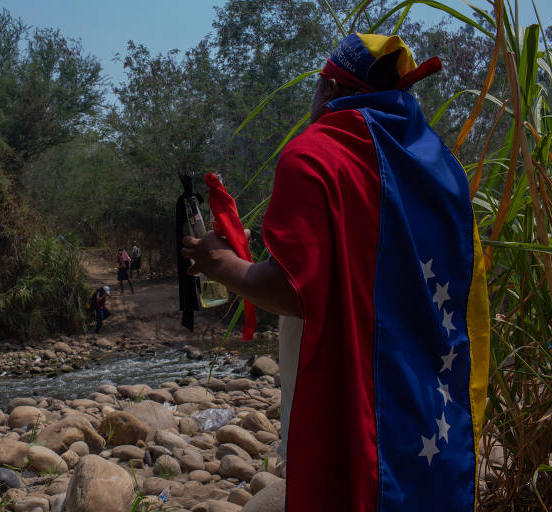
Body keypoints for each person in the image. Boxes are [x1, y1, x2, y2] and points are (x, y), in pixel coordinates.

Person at [182, 33, 490, 511]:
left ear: (327, 87)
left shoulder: (315, 154)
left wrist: (224, 266)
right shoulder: (442, 166)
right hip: (432, 397)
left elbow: (291, 290)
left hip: (353, 393)